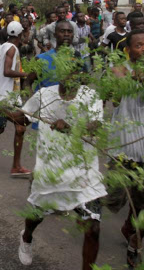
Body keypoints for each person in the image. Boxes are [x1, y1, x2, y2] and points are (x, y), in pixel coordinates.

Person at [17, 57, 106, 269]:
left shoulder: (90, 96)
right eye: (66, 71)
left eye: (76, 73)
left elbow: (96, 126)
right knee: (35, 217)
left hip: (84, 174)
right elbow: (23, 117)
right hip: (51, 173)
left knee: (93, 229)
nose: (70, 77)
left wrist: (74, 126)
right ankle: (27, 237)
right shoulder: (44, 95)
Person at [106, 30, 144, 256]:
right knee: (113, 198)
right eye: (139, 45)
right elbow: (116, 97)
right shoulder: (117, 71)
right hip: (123, 149)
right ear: (128, 49)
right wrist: (129, 80)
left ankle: (134, 241)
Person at [0, 21, 30, 177]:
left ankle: (16, 166)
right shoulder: (12, 48)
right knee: (5, 127)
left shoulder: (3, 46)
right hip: (6, 97)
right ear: (20, 34)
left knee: (17, 128)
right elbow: (8, 71)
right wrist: (25, 74)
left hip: (12, 95)